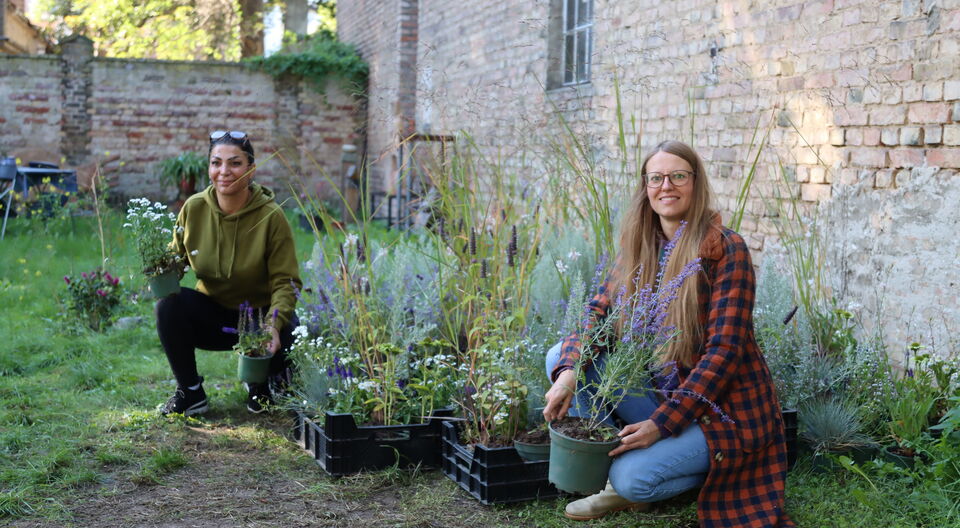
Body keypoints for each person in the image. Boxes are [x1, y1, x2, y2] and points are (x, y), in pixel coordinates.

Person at [542, 140, 794, 527]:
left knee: (632, 480)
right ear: (645, 187)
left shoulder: (727, 250)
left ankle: (684, 472)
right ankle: (621, 462)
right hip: (662, 394)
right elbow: (597, 314)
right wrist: (567, 375)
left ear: (696, 183)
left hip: (721, 411)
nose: (666, 186)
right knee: (560, 356)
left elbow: (724, 352)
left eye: (678, 176)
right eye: (656, 178)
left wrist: (662, 424)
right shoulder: (638, 246)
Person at [157, 130, 302, 416]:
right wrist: (159, 268)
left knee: (287, 335)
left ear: (251, 169)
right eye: (216, 163)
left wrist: (273, 325)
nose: (224, 171)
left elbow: (286, 281)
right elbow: (175, 259)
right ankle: (190, 392)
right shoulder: (194, 208)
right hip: (212, 316)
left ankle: (260, 383)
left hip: (259, 319)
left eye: (235, 163)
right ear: (209, 168)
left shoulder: (271, 216)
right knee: (168, 306)